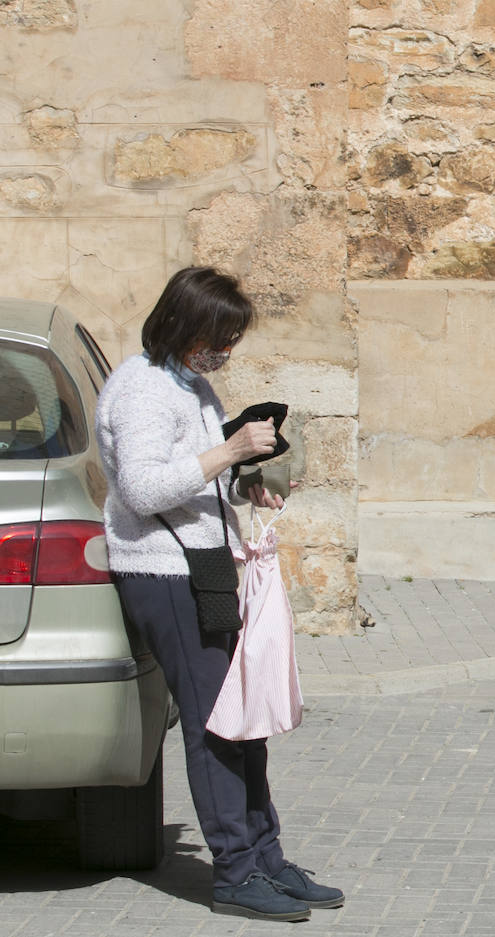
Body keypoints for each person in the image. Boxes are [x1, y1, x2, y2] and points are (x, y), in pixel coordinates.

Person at [96, 267, 344, 921]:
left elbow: (193, 483)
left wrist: (243, 484)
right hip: (160, 571)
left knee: (244, 719)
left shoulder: (191, 384)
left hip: (203, 565)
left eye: (231, 339)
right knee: (214, 725)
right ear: (184, 323)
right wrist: (228, 449)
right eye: (220, 335)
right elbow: (143, 489)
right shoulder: (142, 389)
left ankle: (266, 856)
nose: (226, 350)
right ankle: (234, 871)